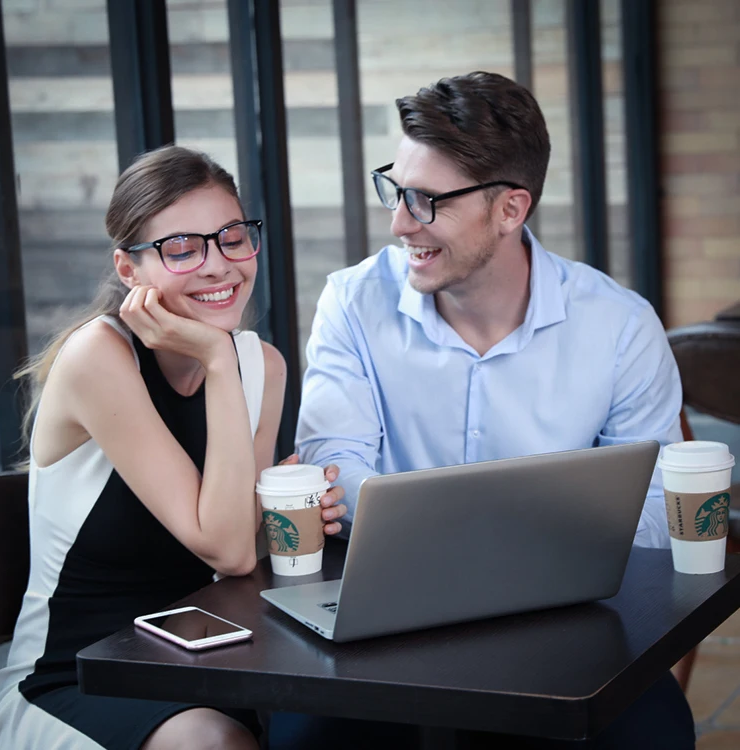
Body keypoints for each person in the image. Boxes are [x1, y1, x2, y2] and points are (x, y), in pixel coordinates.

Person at [293, 72, 694, 748]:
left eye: (426, 201)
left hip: (567, 623)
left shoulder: (620, 326)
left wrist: (469, 538)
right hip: (389, 621)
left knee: (653, 734)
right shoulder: (352, 303)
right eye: (396, 189)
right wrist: (519, 532)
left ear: (510, 209)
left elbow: (654, 511)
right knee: (305, 737)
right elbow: (333, 466)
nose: (399, 223)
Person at [0, 145, 346, 750]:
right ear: (129, 270)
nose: (218, 265)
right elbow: (226, 549)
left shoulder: (263, 366)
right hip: (73, 678)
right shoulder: (99, 357)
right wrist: (218, 358)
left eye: (232, 237)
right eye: (181, 248)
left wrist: (287, 516)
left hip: (208, 663)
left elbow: (241, 548)